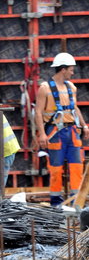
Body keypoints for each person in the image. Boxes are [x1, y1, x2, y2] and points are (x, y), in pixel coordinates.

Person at [34, 52, 89, 207]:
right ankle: (56, 203)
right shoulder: (45, 88)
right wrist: (42, 134)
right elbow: (38, 112)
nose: (73, 72)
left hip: (72, 131)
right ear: (63, 69)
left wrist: (84, 126)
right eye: (71, 69)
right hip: (54, 133)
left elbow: (75, 108)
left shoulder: (71, 87)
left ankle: (76, 202)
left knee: (77, 167)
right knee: (56, 169)